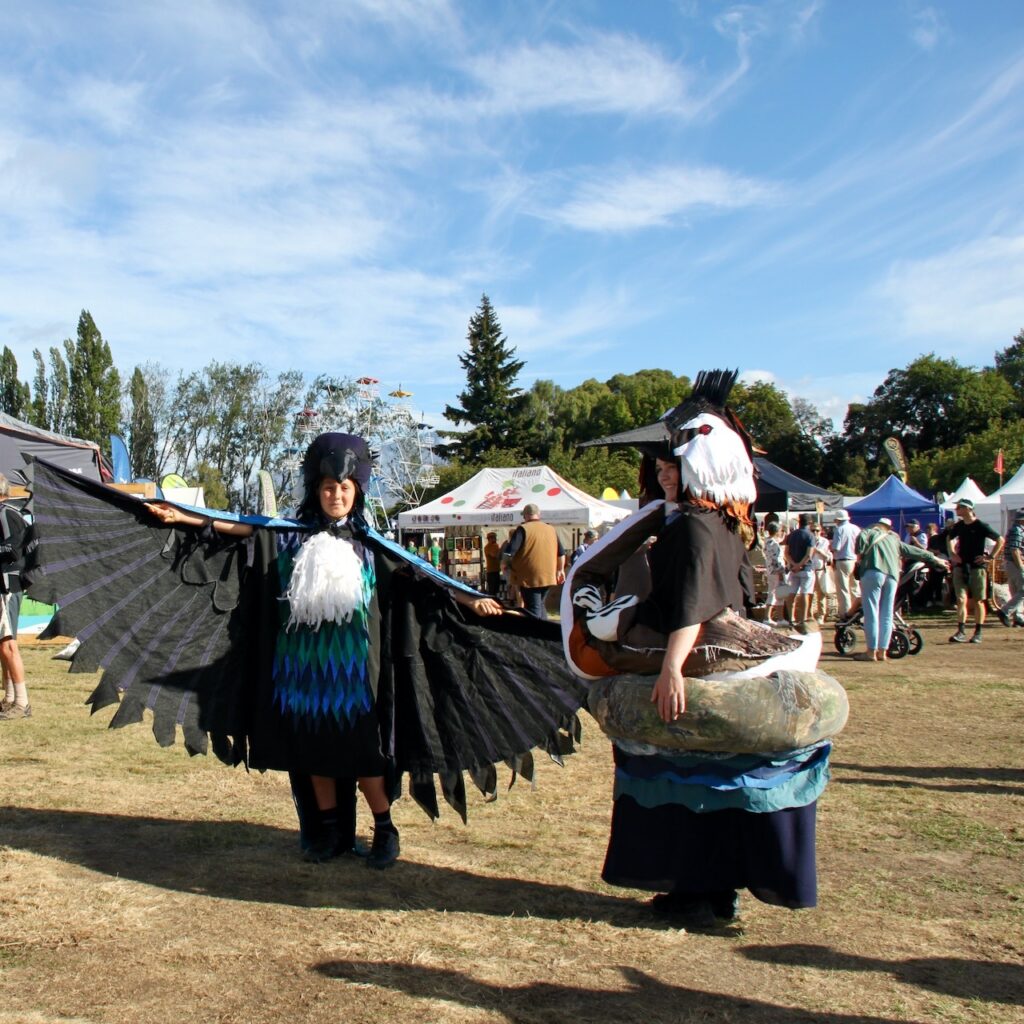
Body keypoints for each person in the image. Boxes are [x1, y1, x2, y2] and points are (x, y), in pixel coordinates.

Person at [28, 435, 587, 869]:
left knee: (363, 750)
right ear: (315, 488)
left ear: (358, 491)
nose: (335, 493)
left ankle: (384, 830)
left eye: (344, 487)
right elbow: (236, 529)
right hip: (300, 666)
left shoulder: (373, 546)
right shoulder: (287, 534)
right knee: (311, 747)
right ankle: (325, 832)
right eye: (326, 486)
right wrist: (181, 516)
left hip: (354, 668)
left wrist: (472, 602)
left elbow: (425, 581)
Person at [564, 370, 841, 928]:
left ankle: (697, 889)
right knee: (713, 789)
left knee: (687, 786)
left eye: (674, 467)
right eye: (661, 468)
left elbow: (694, 606)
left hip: (691, 660)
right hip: (706, 660)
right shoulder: (720, 523)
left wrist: (670, 669)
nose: (665, 476)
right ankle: (709, 889)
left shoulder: (692, 527)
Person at [855, 517, 948, 662]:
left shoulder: (869, 532)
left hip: (873, 571)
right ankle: (883, 652)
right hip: (892, 575)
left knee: (872, 612)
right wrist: (936, 559)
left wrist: (861, 549)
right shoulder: (894, 540)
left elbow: (860, 545)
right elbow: (915, 551)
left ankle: (871, 651)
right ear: (889, 528)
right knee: (887, 614)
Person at [946, 499, 1003, 644]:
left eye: (959, 507)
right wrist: (952, 553)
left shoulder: (981, 526)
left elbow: (1000, 540)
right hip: (961, 566)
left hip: (977, 568)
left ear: (968, 509)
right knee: (960, 599)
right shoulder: (959, 526)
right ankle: (961, 631)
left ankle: (978, 632)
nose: (957, 509)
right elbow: (949, 537)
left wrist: (990, 557)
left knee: (978, 600)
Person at [0, 474, 30, 722]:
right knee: (3, 644)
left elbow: (13, 547)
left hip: (8, 583)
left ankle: (22, 702)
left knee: (8, 644)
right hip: (5, 583)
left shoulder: (6, 513)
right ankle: (10, 698)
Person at [502, 503, 565, 618]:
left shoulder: (523, 529)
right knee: (540, 605)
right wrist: (560, 570)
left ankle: (536, 633)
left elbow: (509, 552)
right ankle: (545, 632)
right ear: (539, 514)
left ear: (525, 516)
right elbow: (561, 553)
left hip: (529, 577)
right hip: (548, 576)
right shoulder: (551, 529)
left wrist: (504, 564)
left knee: (533, 607)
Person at [784, 513, 817, 633]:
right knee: (805, 593)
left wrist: (793, 564)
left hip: (793, 568)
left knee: (791, 593)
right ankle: (802, 620)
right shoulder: (810, 535)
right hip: (806, 568)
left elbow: (786, 552)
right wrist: (800, 565)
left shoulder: (791, 535)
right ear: (809, 523)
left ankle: (790, 619)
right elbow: (809, 554)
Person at [830, 509, 860, 621]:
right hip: (855, 560)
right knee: (855, 588)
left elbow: (836, 547)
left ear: (837, 520)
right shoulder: (856, 528)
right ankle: (856, 611)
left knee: (843, 589)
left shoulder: (839, 529)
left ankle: (846, 614)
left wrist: (830, 547)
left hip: (842, 560)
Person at [997, 509, 1024, 627]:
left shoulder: (1013, 529)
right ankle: (1005, 611)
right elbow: (1015, 550)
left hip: (1010, 563)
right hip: (1015, 563)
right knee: (1022, 591)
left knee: (1016, 590)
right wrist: (1021, 567)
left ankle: (1018, 618)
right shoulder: (1018, 531)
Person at [762, 521, 786, 625]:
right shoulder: (775, 544)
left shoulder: (767, 542)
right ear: (777, 531)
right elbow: (777, 560)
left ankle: (771, 617)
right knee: (778, 594)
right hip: (777, 572)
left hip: (770, 570)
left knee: (772, 593)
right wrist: (781, 573)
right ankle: (777, 618)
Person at [482, 531, 503, 597]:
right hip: (491, 571)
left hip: (497, 570)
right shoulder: (487, 547)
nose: (495, 539)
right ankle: (491, 600)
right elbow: (493, 555)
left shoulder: (496, 545)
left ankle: (496, 599)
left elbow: (499, 555)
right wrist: (499, 553)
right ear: (489, 539)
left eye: (495, 538)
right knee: (492, 588)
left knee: (497, 587)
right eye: (493, 538)